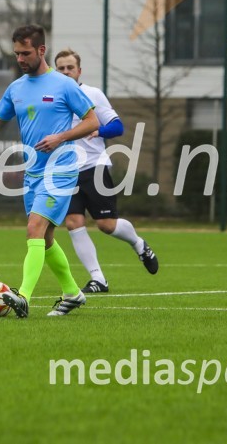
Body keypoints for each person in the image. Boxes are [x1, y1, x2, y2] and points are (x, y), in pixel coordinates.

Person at [0, 26, 98, 317]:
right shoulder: (16, 88)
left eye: (25, 53)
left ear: (41, 50)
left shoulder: (64, 84)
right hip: (34, 172)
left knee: (34, 228)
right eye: (17, 54)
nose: (20, 59)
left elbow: (92, 122)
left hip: (61, 169)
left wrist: (61, 137)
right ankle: (73, 293)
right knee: (45, 238)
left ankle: (23, 295)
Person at [53, 49, 159, 293]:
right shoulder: (54, 98)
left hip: (94, 166)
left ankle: (139, 244)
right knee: (73, 222)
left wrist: (98, 131)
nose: (66, 72)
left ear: (79, 71)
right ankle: (98, 279)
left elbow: (118, 126)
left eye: (70, 67)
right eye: (61, 68)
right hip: (67, 170)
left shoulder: (92, 94)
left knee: (106, 224)